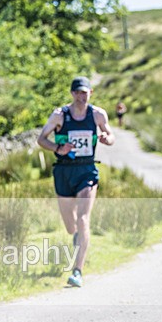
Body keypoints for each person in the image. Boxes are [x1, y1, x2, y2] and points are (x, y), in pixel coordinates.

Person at [37, 76, 114, 288]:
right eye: (78, 92)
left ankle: (77, 271)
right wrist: (57, 148)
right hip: (63, 171)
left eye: (84, 92)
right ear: (72, 94)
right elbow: (41, 139)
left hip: (87, 170)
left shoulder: (97, 114)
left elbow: (110, 135)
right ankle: (77, 237)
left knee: (83, 219)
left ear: (90, 93)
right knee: (71, 227)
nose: (81, 96)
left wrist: (107, 139)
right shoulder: (59, 115)